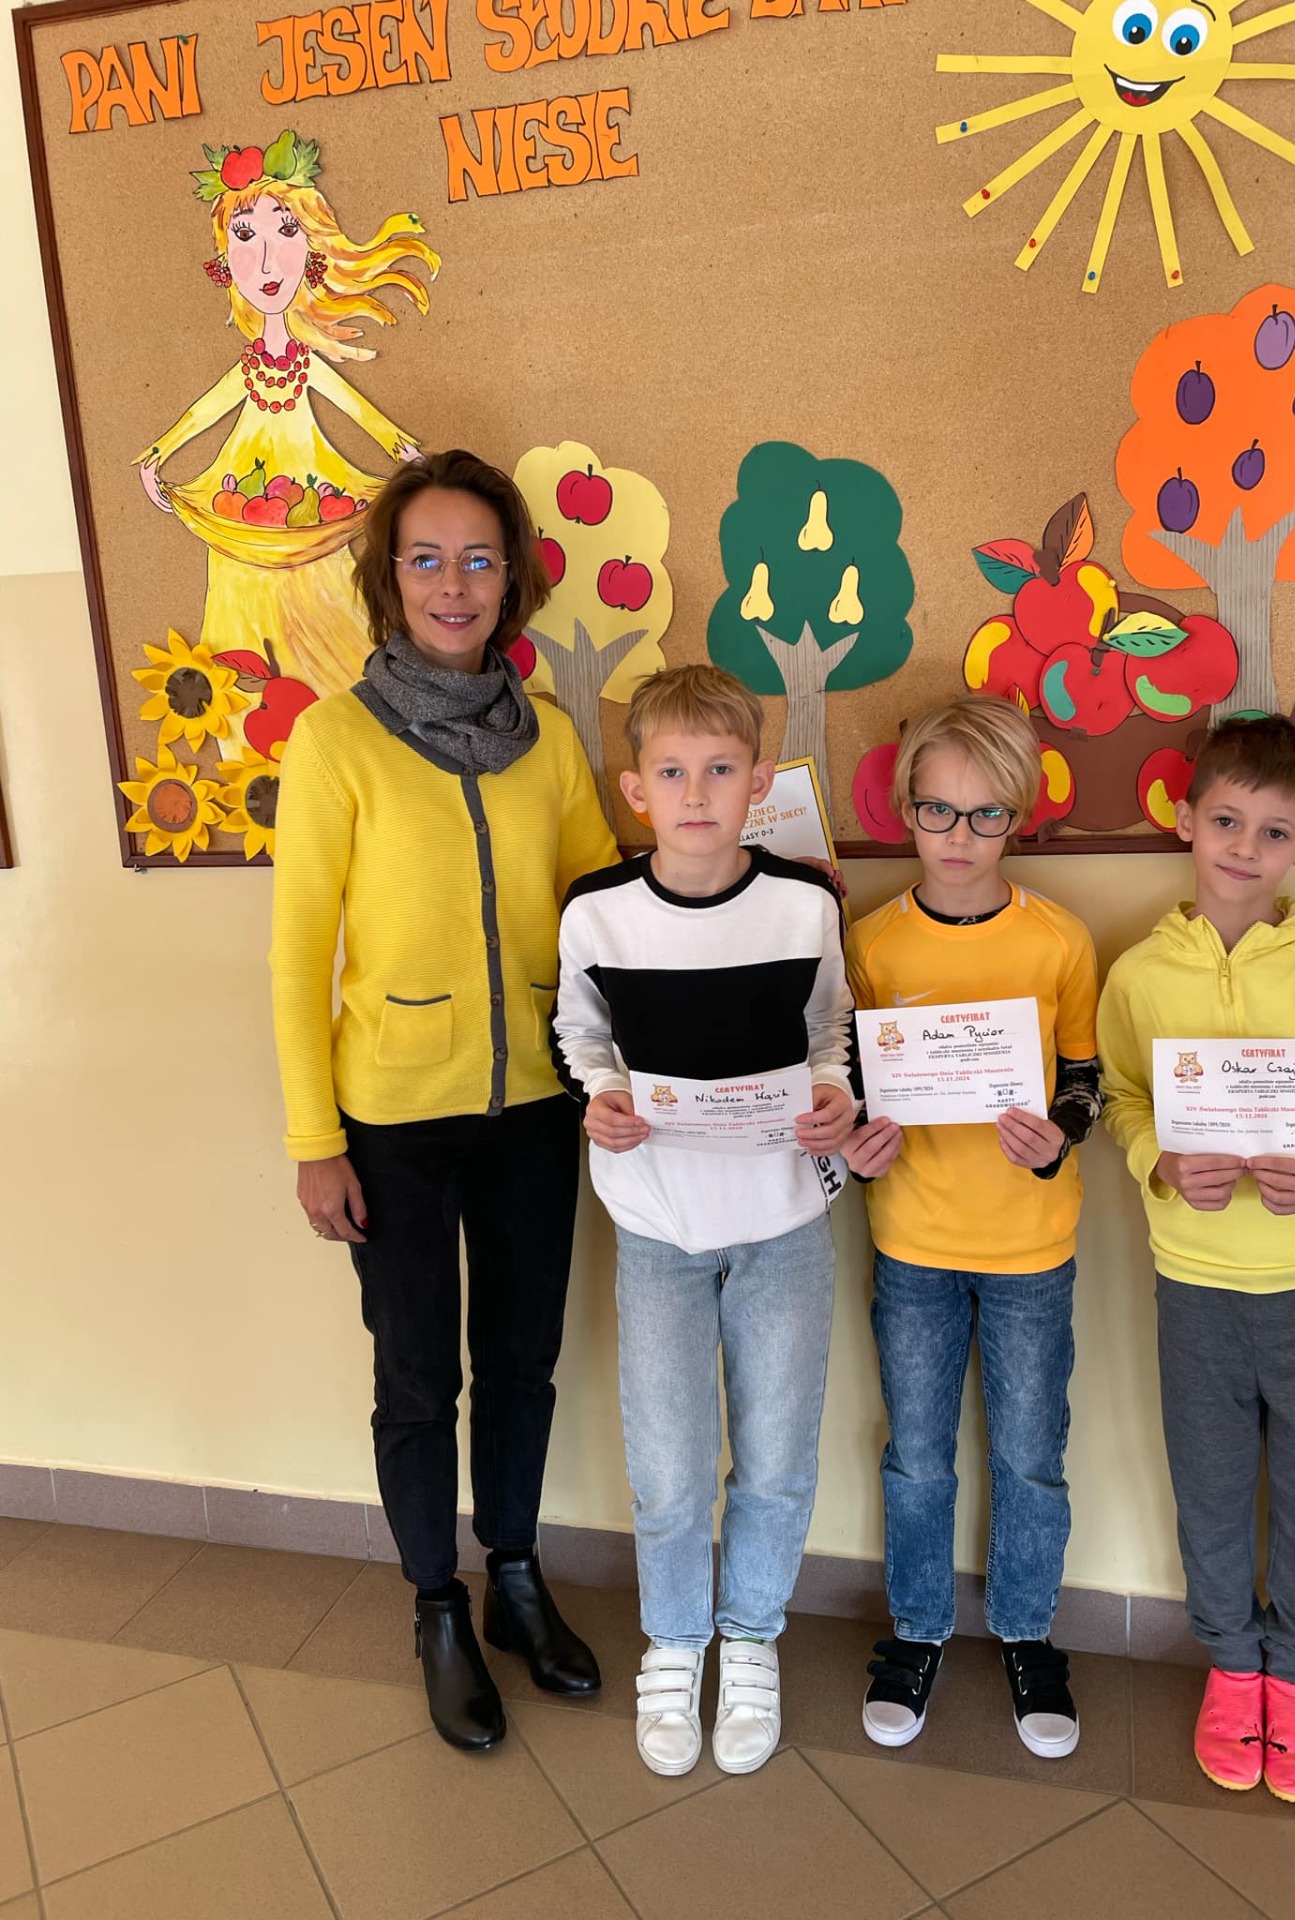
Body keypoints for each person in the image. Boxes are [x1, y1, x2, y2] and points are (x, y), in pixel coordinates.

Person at [270, 448, 618, 1753]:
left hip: (535, 1107)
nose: (454, 584)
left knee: (521, 1360)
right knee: (417, 1375)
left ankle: (516, 1574)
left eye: (479, 558)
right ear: (391, 577)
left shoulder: (550, 739)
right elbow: (298, 954)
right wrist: (315, 1141)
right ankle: (436, 1607)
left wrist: (742, 873)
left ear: (511, 578)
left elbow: (602, 913)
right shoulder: (335, 739)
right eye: (426, 559)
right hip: (394, 1122)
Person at [1098, 716, 1295, 1805]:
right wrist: (1156, 1161)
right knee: (1210, 1486)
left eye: (1275, 831)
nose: (1244, 847)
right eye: (1227, 822)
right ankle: (1232, 1667)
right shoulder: (1142, 974)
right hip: (1196, 1279)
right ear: (1185, 821)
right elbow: (1124, 1099)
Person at [551, 665, 856, 1779]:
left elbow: (832, 1031)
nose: (696, 793)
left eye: (720, 770)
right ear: (635, 790)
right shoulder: (596, 912)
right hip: (657, 1230)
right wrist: (600, 1098)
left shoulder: (805, 903)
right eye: (672, 772)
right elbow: (578, 1034)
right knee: (671, 1466)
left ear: (757, 782)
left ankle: (753, 1637)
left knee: (775, 1458)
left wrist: (836, 1096)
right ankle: (675, 1644)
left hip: (784, 1223)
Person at [844, 695, 1101, 1757]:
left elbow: (1084, 1076)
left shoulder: (1058, 939)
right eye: (939, 811)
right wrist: (855, 1142)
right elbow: (851, 1086)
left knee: (1032, 1453)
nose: (960, 836)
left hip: (1031, 1245)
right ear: (906, 807)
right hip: (912, 1239)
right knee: (917, 1454)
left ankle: (1028, 1632)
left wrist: (1058, 1136)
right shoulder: (871, 944)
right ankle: (916, 1630)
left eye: (987, 814)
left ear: (1019, 818)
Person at [138, 130, 438, 701]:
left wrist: (401, 448)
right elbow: (206, 411)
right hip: (239, 515)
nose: (267, 259)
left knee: (329, 613)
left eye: (286, 231)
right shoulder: (249, 365)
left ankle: (353, 710)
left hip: (310, 513)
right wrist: (158, 455)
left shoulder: (305, 364)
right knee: (241, 625)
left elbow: (355, 408)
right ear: (225, 263)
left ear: (313, 251)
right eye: (245, 236)